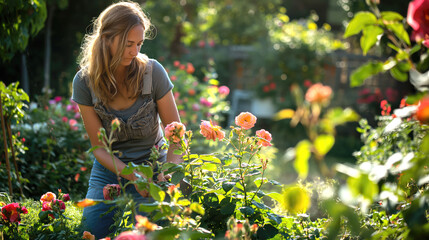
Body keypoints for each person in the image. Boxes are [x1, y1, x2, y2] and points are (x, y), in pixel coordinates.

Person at [71, 1, 182, 238]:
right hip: (110, 170)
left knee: (153, 234)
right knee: (92, 233)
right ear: (107, 40)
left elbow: (176, 134)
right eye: (128, 44)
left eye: (139, 44)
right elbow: (99, 149)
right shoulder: (84, 82)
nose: (135, 51)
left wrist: (165, 176)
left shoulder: (153, 72)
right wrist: (133, 175)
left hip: (154, 168)